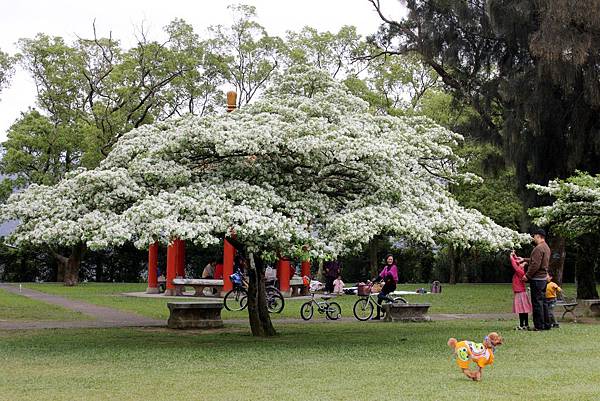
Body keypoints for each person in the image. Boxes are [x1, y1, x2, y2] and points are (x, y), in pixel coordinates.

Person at [518, 228, 552, 330]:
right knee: (544, 302)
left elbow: (535, 264)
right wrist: (524, 259)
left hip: (537, 279)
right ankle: (546, 324)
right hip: (543, 280)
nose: (533, 238)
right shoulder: (546, 247)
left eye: (534, 236)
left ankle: (538, 326)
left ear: (538, 236)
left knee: (537, 303)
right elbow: (536, 261)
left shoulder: (538, 248)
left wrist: (527, 276)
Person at [510, 251, 532, 330]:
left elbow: (514, 265)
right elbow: (516, 261)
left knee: (521, 310)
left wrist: (511, 256)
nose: (520, 263)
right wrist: (514, 255)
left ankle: (522, 325)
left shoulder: (520, 272)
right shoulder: (521, 271)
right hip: (521, 292)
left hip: (520, 292)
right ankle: (525, 324)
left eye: (521, 263)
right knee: (523, 310)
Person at [373, 254, 398, 320]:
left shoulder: (394, 267)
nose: (390, 260)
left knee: (379, 296)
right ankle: (378, 316)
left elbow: (391, 276)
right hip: (387, 285)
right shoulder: (386, 267)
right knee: (379, 300)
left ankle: (391, 300)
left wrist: (385, 280)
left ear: (393, 260)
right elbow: (381, 275)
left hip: (392, 285)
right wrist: (374, 281)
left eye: (391, 259)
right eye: (389, 259)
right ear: (386, 260)